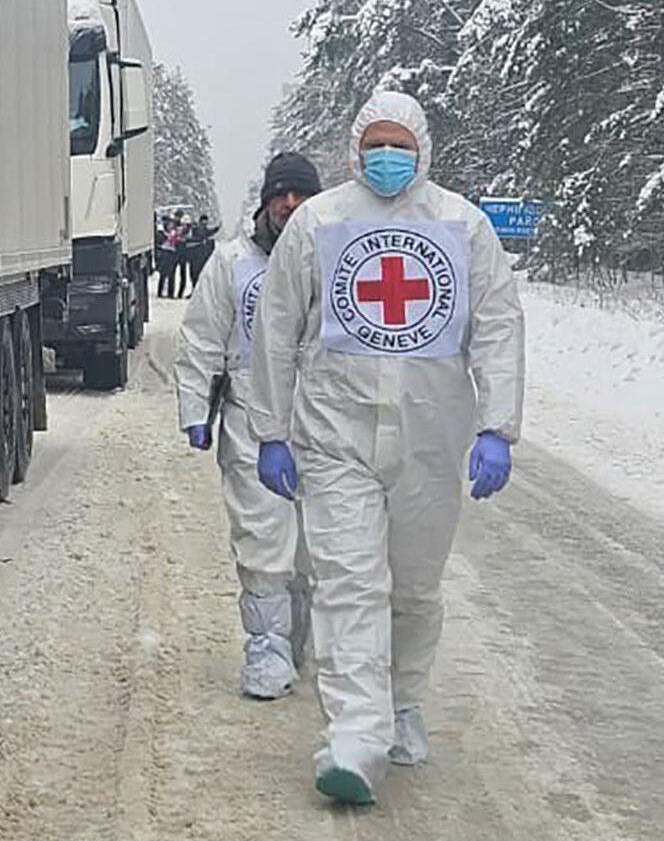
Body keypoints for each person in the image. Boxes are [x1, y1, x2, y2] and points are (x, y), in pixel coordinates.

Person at [249, 92, 524, 806]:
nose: (388, 155)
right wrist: (271, 431)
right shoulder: (320, 221)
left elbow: (497, 324)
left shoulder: (462, 226)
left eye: (400, 143)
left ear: (424, 147)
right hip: (335, 434)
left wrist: (498, 425)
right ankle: (354, 735)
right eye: (376, 142)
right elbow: (277, 330)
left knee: (413, 586)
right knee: (348, 583)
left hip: (431, 439)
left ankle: (402, 701)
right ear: (354, 146)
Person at [176, 153, 323, 700]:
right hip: (251, 422)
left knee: (316, 542)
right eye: (281, 194)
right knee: (262, 539)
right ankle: (266, 646)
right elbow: (201, 338)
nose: (290, 205)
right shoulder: (232, 263)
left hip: (326, 421)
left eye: (301, 196)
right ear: (265, 201)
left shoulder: (331, 261)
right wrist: (196, 408)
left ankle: (298, 638)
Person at [187, 213, 219, 287]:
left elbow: (209, 232)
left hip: (197, 255)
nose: (205, 223)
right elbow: (208, 232)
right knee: (196, 273)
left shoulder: (197, 228)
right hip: (197, 255)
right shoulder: (198, 229)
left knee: (195, 273)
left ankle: (195, 288)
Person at [157, 217, 182, 298]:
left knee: (172, 274)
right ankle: (160, 292)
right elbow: (159, 242)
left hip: (172, 253)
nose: (170, 226)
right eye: (169, 225)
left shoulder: (175, 233)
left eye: (171, 225)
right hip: (164, 253)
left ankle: (170, 293)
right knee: (163, 274)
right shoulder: (162, 233)